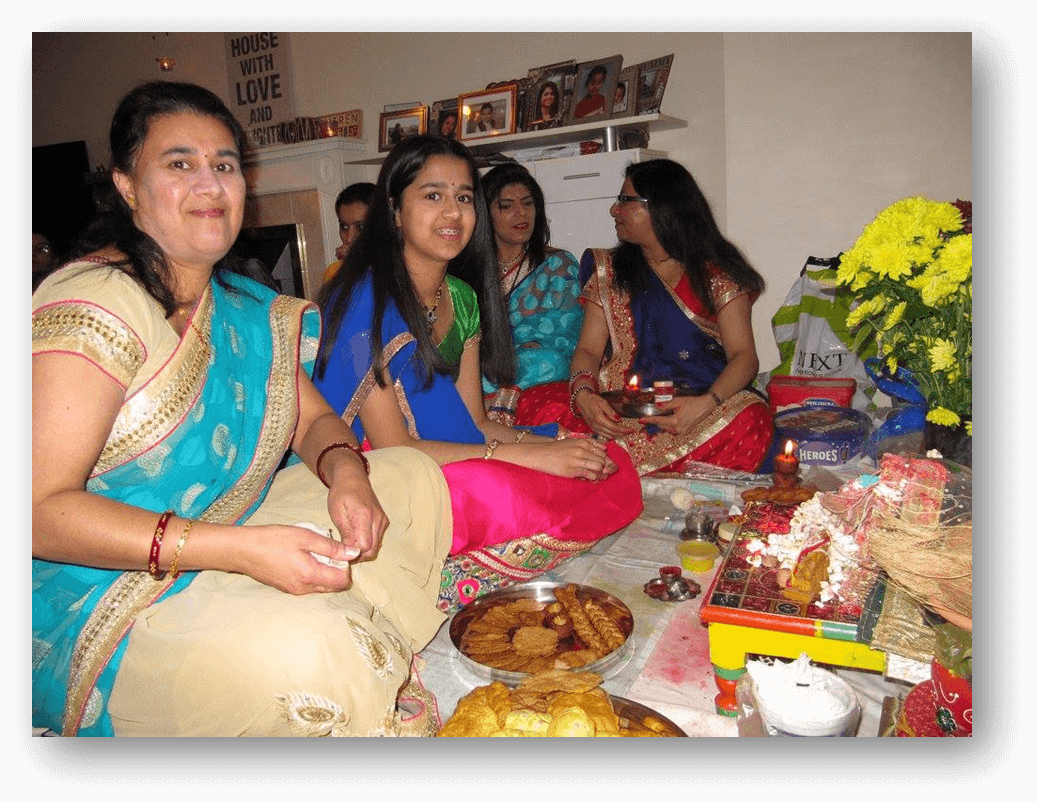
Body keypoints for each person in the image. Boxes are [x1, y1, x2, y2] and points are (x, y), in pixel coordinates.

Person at [32, 81, 452, 737]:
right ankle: (315, 638)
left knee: (405, 474)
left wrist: (346, 474)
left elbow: (314, 421)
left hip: (226, 530)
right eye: (179, 164)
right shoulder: (96, 305)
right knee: (313, 654)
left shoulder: (240, 303)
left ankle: (314, 614)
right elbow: (36, 512)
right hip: (100, 589)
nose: (210, 185)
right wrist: (238, 552)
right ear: (125, 185)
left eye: (224, 165)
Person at [313, 135, 642, 610]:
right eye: (432, 196)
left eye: (463, 197)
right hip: (382, 471)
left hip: (456, 452)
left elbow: (478, 422)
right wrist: (529, 459)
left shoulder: (462, 297)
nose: (453, 213)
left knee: (602, 455)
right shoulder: (365, 304)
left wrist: (554, 448)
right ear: (395, 212)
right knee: (497, 487)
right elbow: (396, 450)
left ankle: (516, 526)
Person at [514, 158, 775, 475]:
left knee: (752, 419)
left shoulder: (714, 269)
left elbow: (744, 357)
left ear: (662, 207)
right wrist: (585, 396)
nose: (614, 210)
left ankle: (605, 467)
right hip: (620, 404)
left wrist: (705, 405)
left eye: (625, 200)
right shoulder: (609, 269)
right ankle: (622, 465)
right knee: (531, 403)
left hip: (693, 404)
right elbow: (588, 350)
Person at [480, 162, 584, 398]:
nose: (522, 213)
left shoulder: (558, 265)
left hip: (534, 365)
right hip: (479, 363)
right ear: (485, 213)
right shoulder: (469, 269)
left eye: (527, 203)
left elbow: (566, 336)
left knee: (548, 360)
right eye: (507, 206)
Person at [321, 182, 375, 285]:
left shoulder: (402, 264)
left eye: (361, 227)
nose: (349, 238)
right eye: (344, 227)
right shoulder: (334, 271)